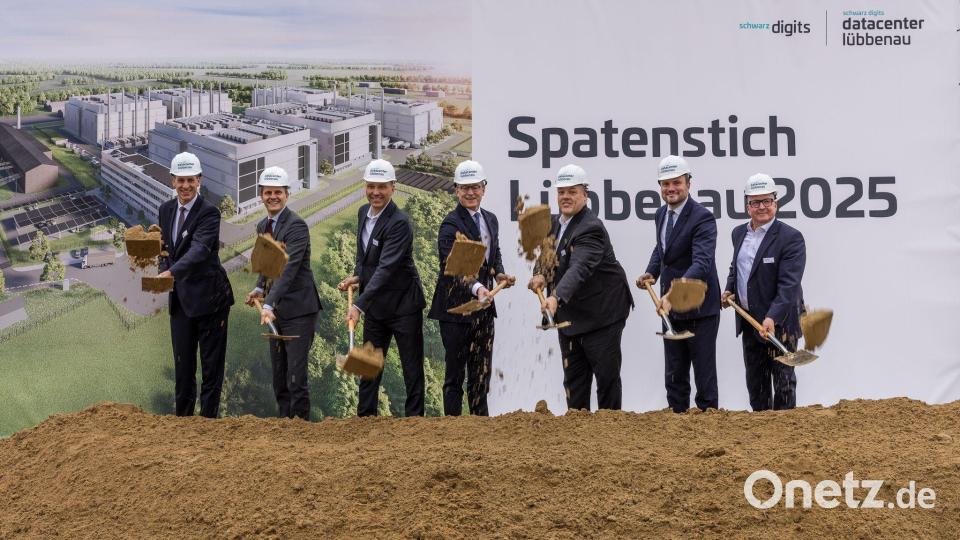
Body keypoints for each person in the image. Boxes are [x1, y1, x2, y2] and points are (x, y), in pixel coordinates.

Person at [527, 164, 633, 411]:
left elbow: (579, 268)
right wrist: (540, 275)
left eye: (572, 191)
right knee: (574, 380)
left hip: (602, 314)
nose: (566, 196)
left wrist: (555, 298)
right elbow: (546, 257)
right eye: (561, 191)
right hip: (571, 315)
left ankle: (609, 429)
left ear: (585, 194)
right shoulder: (553, 223)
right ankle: (577, 435)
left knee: (606, 379)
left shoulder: (591, 228)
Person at [337, 159, 426, 417]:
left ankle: (415, 425)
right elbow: (364, 257)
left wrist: (358, 305)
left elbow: (386, 269)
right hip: (377, 306)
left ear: (393, 188)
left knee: (412, 369)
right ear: (365, 186)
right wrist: (357, 277)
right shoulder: (362, 212)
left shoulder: (399, 223)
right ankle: (365, 419)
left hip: (404, 307)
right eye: (371, 186)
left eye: (382, 187)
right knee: (368, 367)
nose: (376, 192)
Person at [428, 160, 514, 416]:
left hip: (484, 310)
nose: (470, 192)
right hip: (456, 311)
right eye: (464, 188)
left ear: (483, 188)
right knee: (455, 375)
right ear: (456, 190)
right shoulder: (450, 225)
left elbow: (493, 255)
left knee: (480, 374)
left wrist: (499, 274)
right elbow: (453, 268)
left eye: (474, 187)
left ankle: (480, 427)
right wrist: (477, 288)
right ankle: (453, 431)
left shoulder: (491, 220)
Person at [638, 155, 721, 413]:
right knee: (674, 375)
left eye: (677, 183)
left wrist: (673, 294)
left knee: (704, 378)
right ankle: (676, 427)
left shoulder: (702, 218)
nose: (671, 189)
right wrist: (651, 272)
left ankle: (708, 431)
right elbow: (662, 247)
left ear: (689, 183)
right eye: (665, 184)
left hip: (700, 309)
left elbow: (702, 264)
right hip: (670, 309)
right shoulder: (661, 214)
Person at [157, 152, 234, 418]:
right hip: (180, 302)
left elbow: (200, 250)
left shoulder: (209, 213)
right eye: (181, 180)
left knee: (211, 370)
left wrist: (171, 274)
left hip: (210, 300)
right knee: (183, 368)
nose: (186, 186)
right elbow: (166, 249)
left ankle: (207, 430)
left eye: (191, 180)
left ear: (199, 180)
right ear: (172, 181)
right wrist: (161, 271)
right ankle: (183, 427)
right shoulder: (165, 210)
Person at [722, 173, 806, 411]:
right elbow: (736, 267)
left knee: (783, 385)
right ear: (747, 206)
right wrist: (729, 289)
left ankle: (785, 437)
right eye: (755, 202)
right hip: (750, 321)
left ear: (775, 203)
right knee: (756, 384)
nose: (762, 207)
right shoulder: (739, 233)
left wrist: (772, 318)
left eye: (767, 201)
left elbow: (789, 285)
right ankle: (760, 441)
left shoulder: (791, 238)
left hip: (780, 323)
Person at [244, 167, 322, 420]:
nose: (273, 197)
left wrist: (269, 304)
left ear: (287, 194)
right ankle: (284, 430)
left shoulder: (296, 226)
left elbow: (288, 269)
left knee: (295, 378)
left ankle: (300, 433)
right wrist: (259, 288)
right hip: (276, 312)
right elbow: (268, 263)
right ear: (261, 195)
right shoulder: (262, 225)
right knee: (279, 378)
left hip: (299, 311)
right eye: (268, 192)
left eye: (278, 192)